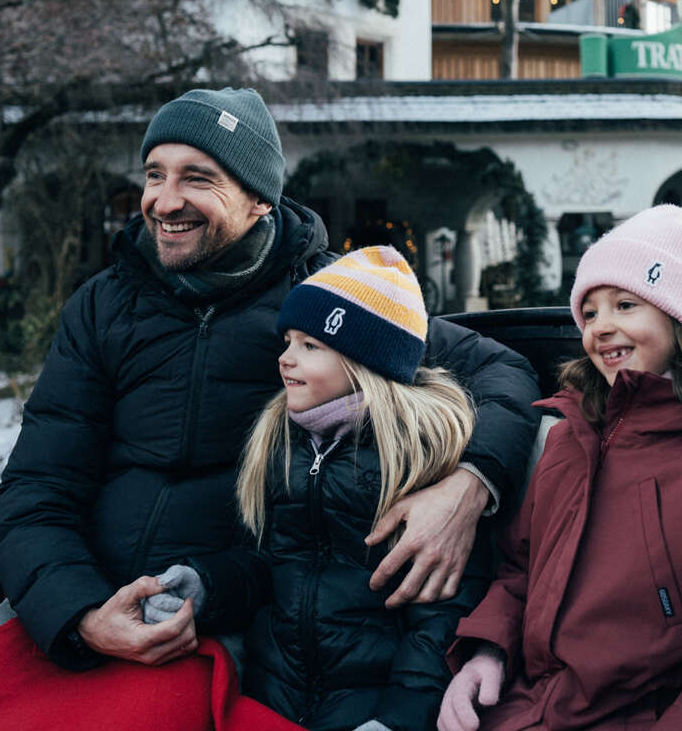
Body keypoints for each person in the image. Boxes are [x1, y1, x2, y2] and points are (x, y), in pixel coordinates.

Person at [0, 86, 539, 670]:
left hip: (237, 611)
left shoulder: (329, 302)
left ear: (259, 201)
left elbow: (503, 367)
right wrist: (79, 615)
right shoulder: (103, 306)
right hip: (84, 603)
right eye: (154, 174)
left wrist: (469, 485)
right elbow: (36, 488)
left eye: (197, 178)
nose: (164, 202)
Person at [153, 244, 489, 731]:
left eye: (311, 346)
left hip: (371, 707)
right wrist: (205, 586)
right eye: (288, 341)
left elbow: (439, 615)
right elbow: (268, 566)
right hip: (273, 695)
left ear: (365, 362)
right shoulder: (281, 440)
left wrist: (400, 719)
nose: (286, 359)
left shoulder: (417, 457)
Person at [439, 205, 682, 731]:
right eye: (591, 312)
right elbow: (520, 570)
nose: (602, 327)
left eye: (625, 304)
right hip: (526, 706)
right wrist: (487, 653)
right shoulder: (567, 433)